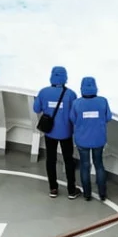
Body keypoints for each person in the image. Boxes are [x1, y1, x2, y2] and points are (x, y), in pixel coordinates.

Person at [33, 66, 78, 198]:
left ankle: (53, 188)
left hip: (50, 133)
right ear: (65, 78)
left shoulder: (43, 92)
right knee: (68, 160)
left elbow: (36, 109)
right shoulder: (70, 94)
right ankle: (71, 190)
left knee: (50, 160)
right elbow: (74, 114)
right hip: (66, 133)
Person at [72, 76, 112, 201]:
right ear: (95, 87)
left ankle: (87, 194)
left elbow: (73, 119)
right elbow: (108, 117)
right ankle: (102, 194)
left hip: (82, 140)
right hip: (98, 139)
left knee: (85, 165)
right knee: (99, 164)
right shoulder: (103, 101)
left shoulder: (77, 103)